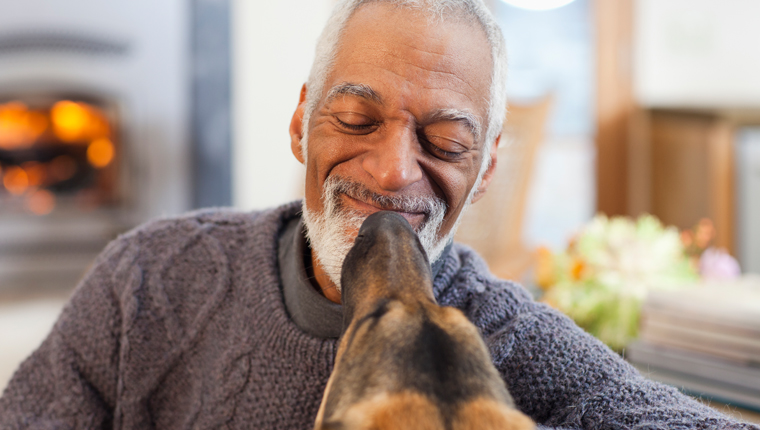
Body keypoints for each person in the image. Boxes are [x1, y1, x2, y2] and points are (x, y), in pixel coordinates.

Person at [0, 1, 757, 429]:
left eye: (445, 141)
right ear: (302, 123)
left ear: (486, 167)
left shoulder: (510, 339)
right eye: (357, 120)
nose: (395, 170)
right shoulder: (148, 278)